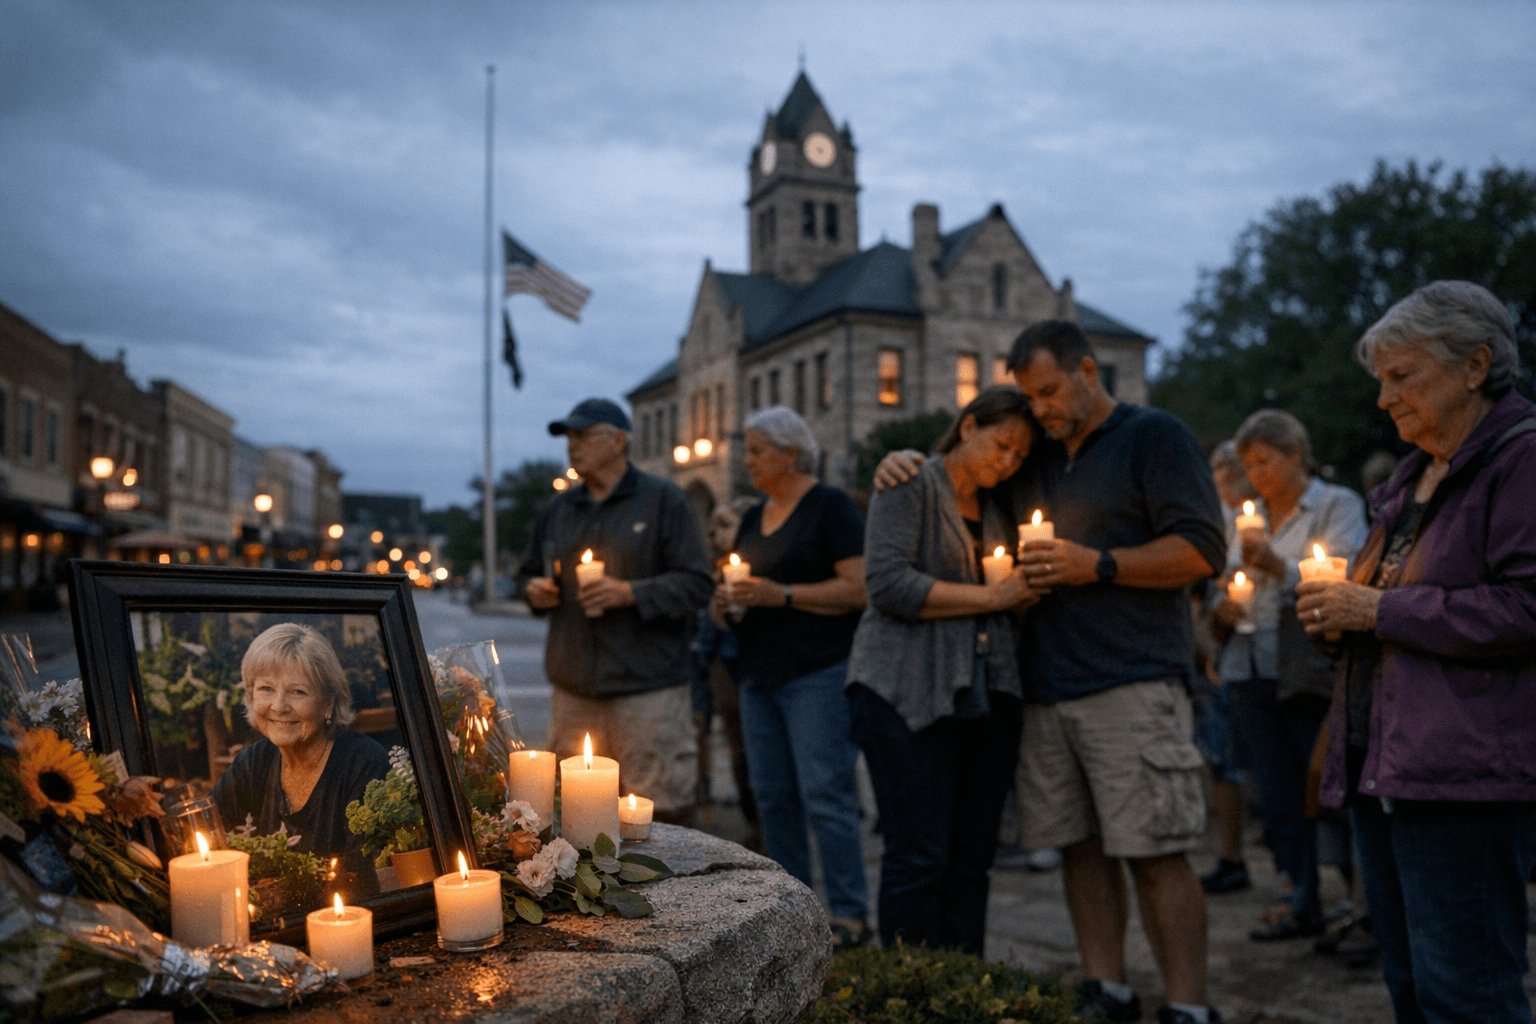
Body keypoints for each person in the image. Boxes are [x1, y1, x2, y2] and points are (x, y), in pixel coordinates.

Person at [875, 320, 1228, 1024]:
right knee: (1079, 847)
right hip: (1040, 686)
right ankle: (1107, 989)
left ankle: (1189, 1005)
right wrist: (905, 459)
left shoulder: (1152, 437)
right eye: (1029, 398)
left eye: (1049, 390)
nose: (1039, 409)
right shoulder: (1033, 455)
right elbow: (969, 471)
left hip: (1132, 679)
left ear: (1088, 370)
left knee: (1155, 849)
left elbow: (1202, 551)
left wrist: (1096, 564)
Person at [1298, 281, 1536, 1024]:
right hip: (1387, 761)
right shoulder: (1413, 479)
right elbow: (1392, 610)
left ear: (1475, 365)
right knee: (1410, 985)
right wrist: (1339, 619)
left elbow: (1527, 606)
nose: (1383, 399)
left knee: (1468, 993)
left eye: (1402, 377)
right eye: (1381, 380)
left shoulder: (1521, 460)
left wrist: (1379, 608)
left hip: (1464, 773)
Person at [847, 386, 1037, 954]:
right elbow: (886, 585)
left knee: (972, 859)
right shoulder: (910, 483)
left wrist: (1025, 594)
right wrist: (991, 600)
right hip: (905, 688)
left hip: (989, 694)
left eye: (1020, 456)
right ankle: (910, 994)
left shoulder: (1003, 505)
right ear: (968, 425)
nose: (1007, 462)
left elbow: (1011, 596)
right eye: (1001, 445)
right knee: (917, 855)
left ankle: (965, 987)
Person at [712, 406, 870, 946]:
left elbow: (858, 588)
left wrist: (779, 594)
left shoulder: (831, 507)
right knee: (773, 797)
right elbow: (746, 588)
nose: (747, 460)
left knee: (825, 793)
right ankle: (791, 908)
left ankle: (850, 913)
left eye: (756, 450)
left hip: (816, 673)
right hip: (758, 675)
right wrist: (728, 603)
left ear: (791, 453)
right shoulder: (755, 516)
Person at [516, 398, 713, 826]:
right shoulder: (559, 510)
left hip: (648, 694)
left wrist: (630, 593)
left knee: (659, 819)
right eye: (568, 437)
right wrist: (534, 590)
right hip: (575, 693)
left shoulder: (665, 502)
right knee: (575, 820)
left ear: (619, 440)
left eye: (583, 435)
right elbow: (526, 574)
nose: (572, 445)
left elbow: (698, 584)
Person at [1208, 410, 1367, 940]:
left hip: (1309, 670)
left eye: (1265, 461)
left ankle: (1361, 904)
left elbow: (1348, 574)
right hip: (1251, 667)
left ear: (1296, 453)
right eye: (1249, 465)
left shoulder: (1335, 505)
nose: (1256, 475)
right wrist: (1224, 605)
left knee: (1327, 784)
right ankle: (1301, 897)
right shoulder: (1246, 515)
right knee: (1276, 793)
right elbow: (1227, 580)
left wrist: (1279, 565)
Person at [212, 622, 390, 897]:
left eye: (298, 692)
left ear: (328, 703)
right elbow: (209, 836)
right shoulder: (252, 763)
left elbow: (363, 881)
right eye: (266, 689)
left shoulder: (364, 764)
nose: (279, 706)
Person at [1194, 441, 1257, 896]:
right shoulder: (1219, 519)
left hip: (1259, 656)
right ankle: (1231, 854)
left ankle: (1243, 854)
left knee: (1242, 761)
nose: (1219, 483)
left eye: (1226, 473)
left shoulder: (1254, 523)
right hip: (1220, 652)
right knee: (1223, 759)